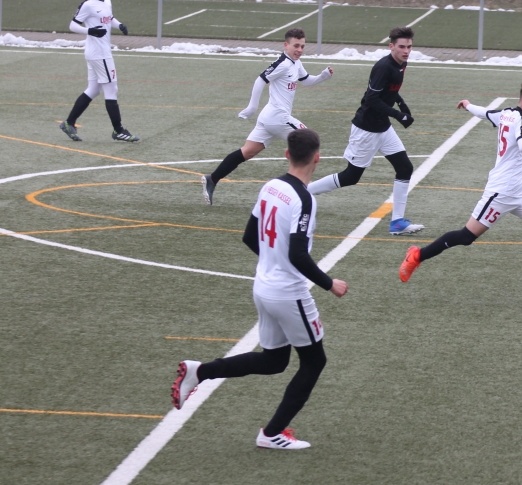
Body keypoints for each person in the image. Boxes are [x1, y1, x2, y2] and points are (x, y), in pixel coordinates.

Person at [173, 129, 348, 450]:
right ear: (318, 158)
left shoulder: (271, 186)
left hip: (263, 287)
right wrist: (330, 284)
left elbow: (249, 236)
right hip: (288, 293)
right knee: (314, 362)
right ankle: (272, 433)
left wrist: (272, 261)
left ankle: (200, 372)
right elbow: (298, 254)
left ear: (286, 154)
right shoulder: (304, 199)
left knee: (275, 361)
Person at [399, 79, 522, 293]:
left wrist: (468, 105)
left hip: (518, 195)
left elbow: (485, 113)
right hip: (500, 194)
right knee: (466, 236)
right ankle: (417, 255)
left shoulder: (507, 114)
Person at [307, 26, 423, 236]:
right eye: (402, 47)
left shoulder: (401, 63)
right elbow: (371, 99)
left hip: (383, 128)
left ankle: (397, 222)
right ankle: (304, 193)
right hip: (367, 130)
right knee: (351, 177)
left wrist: (402, 104)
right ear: (391, 46)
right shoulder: (383, 67)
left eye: (409, 47)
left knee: (405, 167)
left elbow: (390, 90)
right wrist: (398, 115)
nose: (406, 51)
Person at [201, 28, 333, 205]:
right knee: (309, 143)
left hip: (269, 117)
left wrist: (323, 76)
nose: (300, 50)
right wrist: (252, 106)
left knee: (247, 152)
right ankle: (302, 192)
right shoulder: (282, 63)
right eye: (296, 46)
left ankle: (212, 179)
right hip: (277, 117)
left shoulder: (296, 62)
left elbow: (306, 80)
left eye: (302, 46)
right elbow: (260, 80)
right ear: (286, 45)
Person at [58, 0, 137, 143]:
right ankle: (118, 130)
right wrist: (90, 31)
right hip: (99, 54)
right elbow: (72, 25)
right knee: (111, 89)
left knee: (93, 89)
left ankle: (69, 123)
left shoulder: (107, 1)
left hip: (99, 53)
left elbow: (109, 18)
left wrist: (119, 25)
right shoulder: (87, 5)